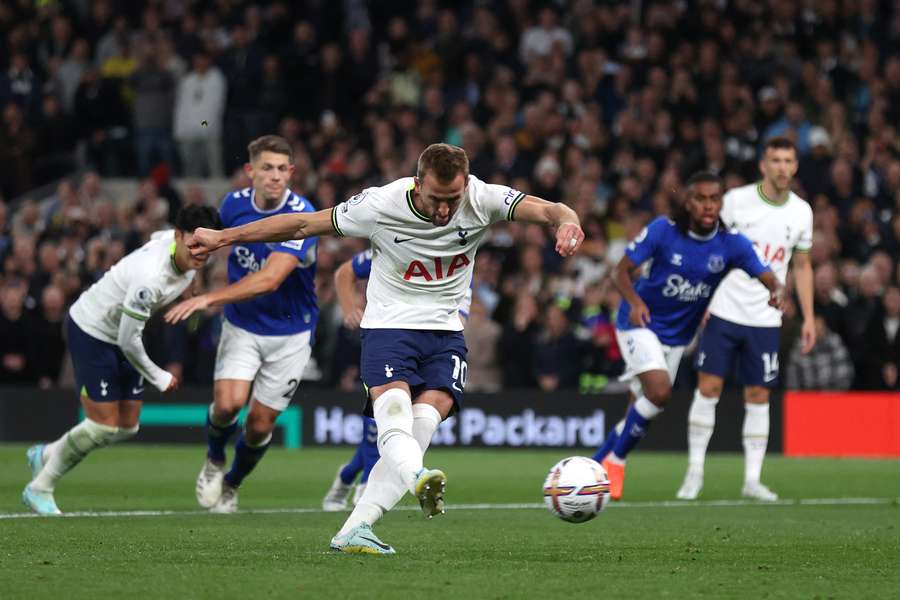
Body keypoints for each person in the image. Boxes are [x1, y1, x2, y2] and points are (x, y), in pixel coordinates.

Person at [189, 143, 584, 554]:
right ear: (417, 184)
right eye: (436, 199)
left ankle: (355, 529)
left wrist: (567, 223)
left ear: (465, 184)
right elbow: (304, 225)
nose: (445, 211)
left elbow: (552, 209)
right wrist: (225, 236)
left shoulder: (482, 197)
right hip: (389, 329)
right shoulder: (380, 204)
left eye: (453, 199)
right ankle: (418, 477)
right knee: (394, 420)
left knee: (420, 430)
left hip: (446, 334)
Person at [591, 172, 783, 501]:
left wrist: (776, 290)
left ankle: (593, 467)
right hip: (639, 322)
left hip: (677, 338)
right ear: (688, 202)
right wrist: (635, 303)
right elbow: (619, 271)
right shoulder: (663, 231)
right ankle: (617, 462)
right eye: (701, 198)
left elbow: (766, 274)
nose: (708, 206)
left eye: (714, 199)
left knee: (645, 406)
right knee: (660, 392)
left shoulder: (731, 243)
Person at [22, 205, 222, 515]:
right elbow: (129, 341)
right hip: (92, 330)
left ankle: (45, 454)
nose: (200, 253)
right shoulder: (150, 279)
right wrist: (158, 376)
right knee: (103, 425)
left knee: (127, 427)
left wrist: (190, 289)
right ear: (178, 236)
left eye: (207, 247)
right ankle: (40, 487)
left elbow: (160, 237)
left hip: (122, 336)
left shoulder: (178, 248)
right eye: (194, 245)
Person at [164, 135, 318, 514]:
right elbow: (209, 247)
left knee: (260, 426)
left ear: (291, 173)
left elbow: (270, 279)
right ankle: (215, 458)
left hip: (291, 333)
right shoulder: (232, 204)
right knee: (228, 406)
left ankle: (232, 483)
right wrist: (193, 280)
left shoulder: (302, 214)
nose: (275, 176)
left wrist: (208, 298)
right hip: (243, 326)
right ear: (250, 171)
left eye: (282, 169)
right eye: (267, 168)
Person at [676, 137, 815, 502]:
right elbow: (708, 245)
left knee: (758, 395)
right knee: (708, 389)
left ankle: (752, 479)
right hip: (724, 309)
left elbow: (802, 264)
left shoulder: (802, 212)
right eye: (776, 160)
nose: (782, 167)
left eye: (788, 160)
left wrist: (810, 317)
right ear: (763, 166)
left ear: (795, 166)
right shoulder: (736, 201)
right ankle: (694, 473)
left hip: (767, 319)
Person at [321, 249, 472, 511]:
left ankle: (348, 476)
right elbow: (345, 272)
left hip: (429, 355)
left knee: (402, 429)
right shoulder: (396, 244)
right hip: (390, 340)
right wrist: (349, 308)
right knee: (379, 423)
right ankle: (365, 484)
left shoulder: (457, 267)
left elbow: (457, 319)